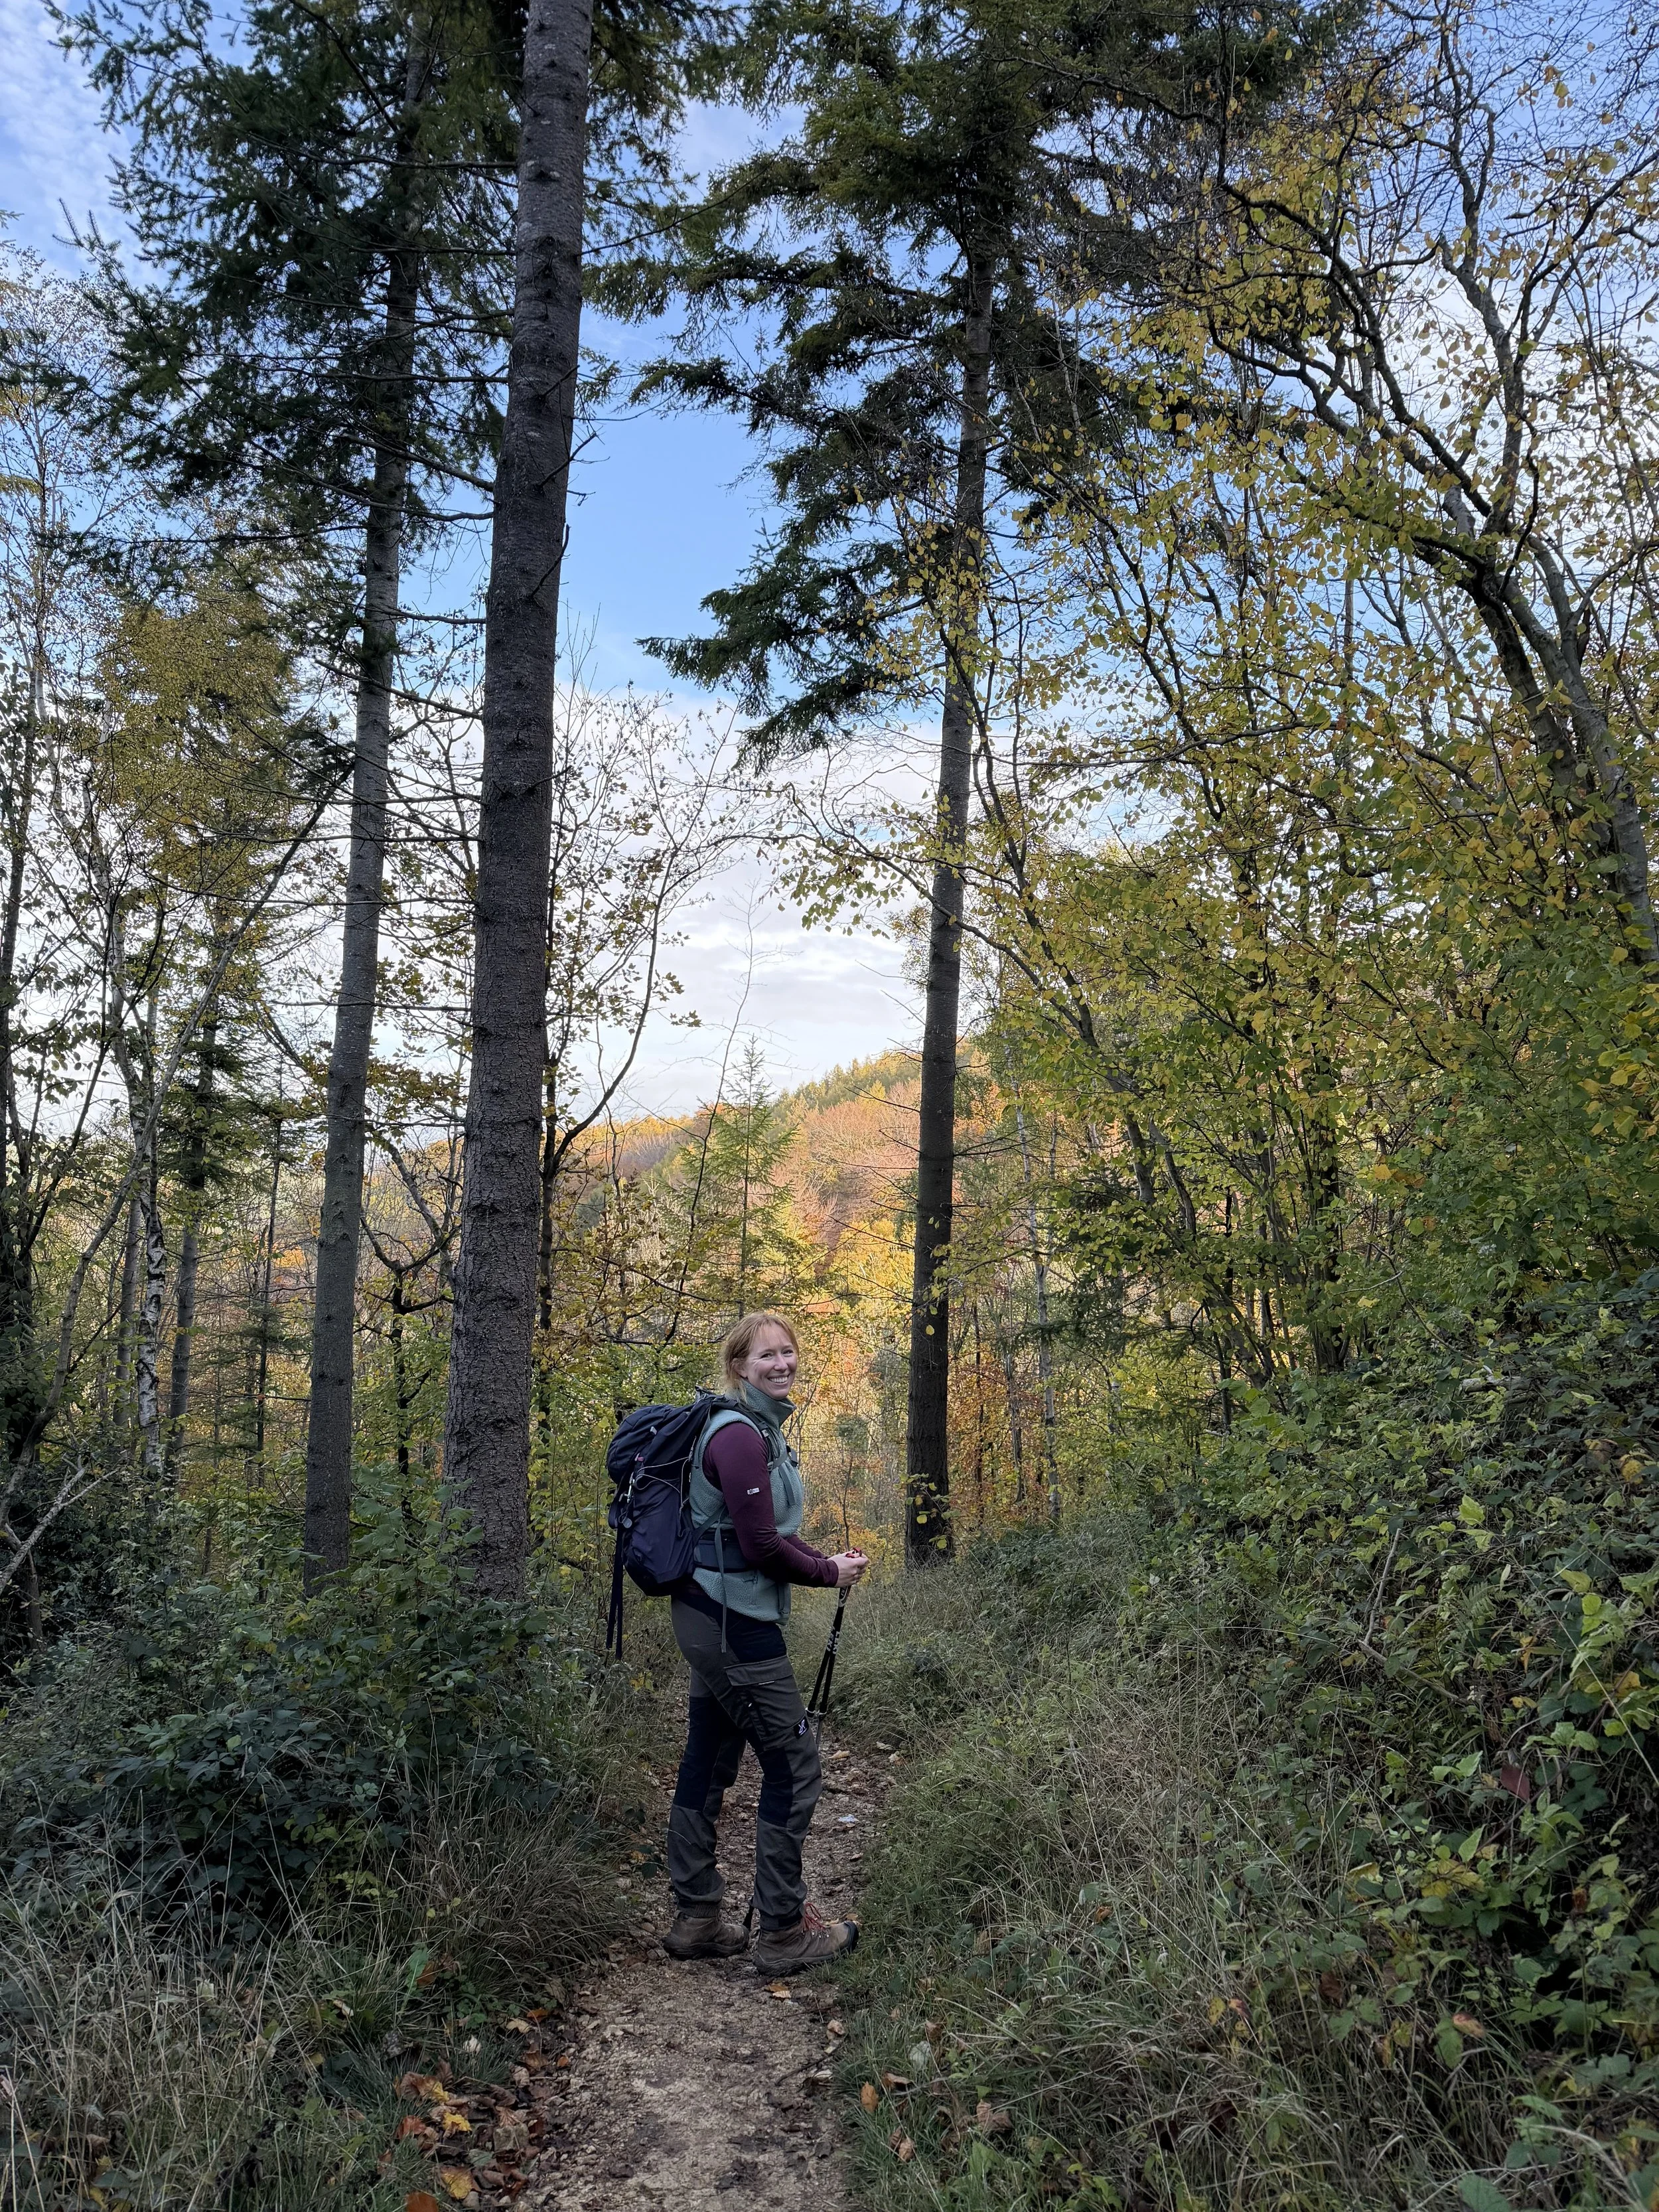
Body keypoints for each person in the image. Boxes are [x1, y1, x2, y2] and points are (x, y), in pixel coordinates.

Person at [662, 1309, 869, 1973]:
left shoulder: (761, 1431)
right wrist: (824, 1573)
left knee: (710, 1758)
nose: (781, 1364)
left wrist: (823, 1557)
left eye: (787, 1353)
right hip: (730, 1622)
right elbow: (756, 1547)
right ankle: (782, 1930)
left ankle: (696, 1918)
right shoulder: (738, 1437)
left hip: (714, 1613)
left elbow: (763, 1532)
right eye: (765, 1356)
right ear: (737, 1367)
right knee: (793, 1763)